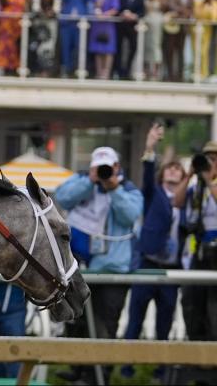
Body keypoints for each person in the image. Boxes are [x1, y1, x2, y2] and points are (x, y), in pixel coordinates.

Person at [55, 146, 143, 383]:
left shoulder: (129, 189)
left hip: (112, 269)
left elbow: (130, 215)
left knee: (106, 322)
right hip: (79, 268)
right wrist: (89, 181)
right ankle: (78, 369)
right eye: (99, 167)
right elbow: (62, 197)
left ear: (117, 168)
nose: (104, 171)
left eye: (108, 167)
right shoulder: (82, 181)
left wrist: (113, 188)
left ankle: (99, 373)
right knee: (77, 319)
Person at [121, 123, 185, 380]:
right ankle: (126, 367)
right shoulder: (153, 193)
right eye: (170, 167)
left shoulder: (188, 197)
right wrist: (150, 147)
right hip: (147, 262)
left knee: (165, 322)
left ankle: (162, 368)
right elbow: (148, 172)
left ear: (183, 176)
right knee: (135, 319)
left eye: (178, 168)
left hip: (172, 268)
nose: (173, 170)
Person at [173, 140, 217, 341]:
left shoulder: (210, 186)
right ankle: (196, 349)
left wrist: (210, 180)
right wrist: (190, 173)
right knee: (192, 301)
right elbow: (177, 201)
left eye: (215, 160)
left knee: (213, 304)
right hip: (197, 250)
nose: (210, 164)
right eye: (207, 160)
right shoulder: (195, 188)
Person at [89, 0, 120, 80]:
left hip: (108, 25)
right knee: (98, 49)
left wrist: (105, 15)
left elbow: (115, 8)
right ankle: (99, 71)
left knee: (108, 50)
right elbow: (96, 4)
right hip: (98, 24)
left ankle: (106, 72)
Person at [115, 0, 145, 79]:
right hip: (121, 25)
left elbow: (142, 12)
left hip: (132, 26)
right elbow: (117, 7)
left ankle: (127, 70)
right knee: (119, 48)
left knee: (133, 47)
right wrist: (122, 13)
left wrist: (134, 16)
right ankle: (119, 71)